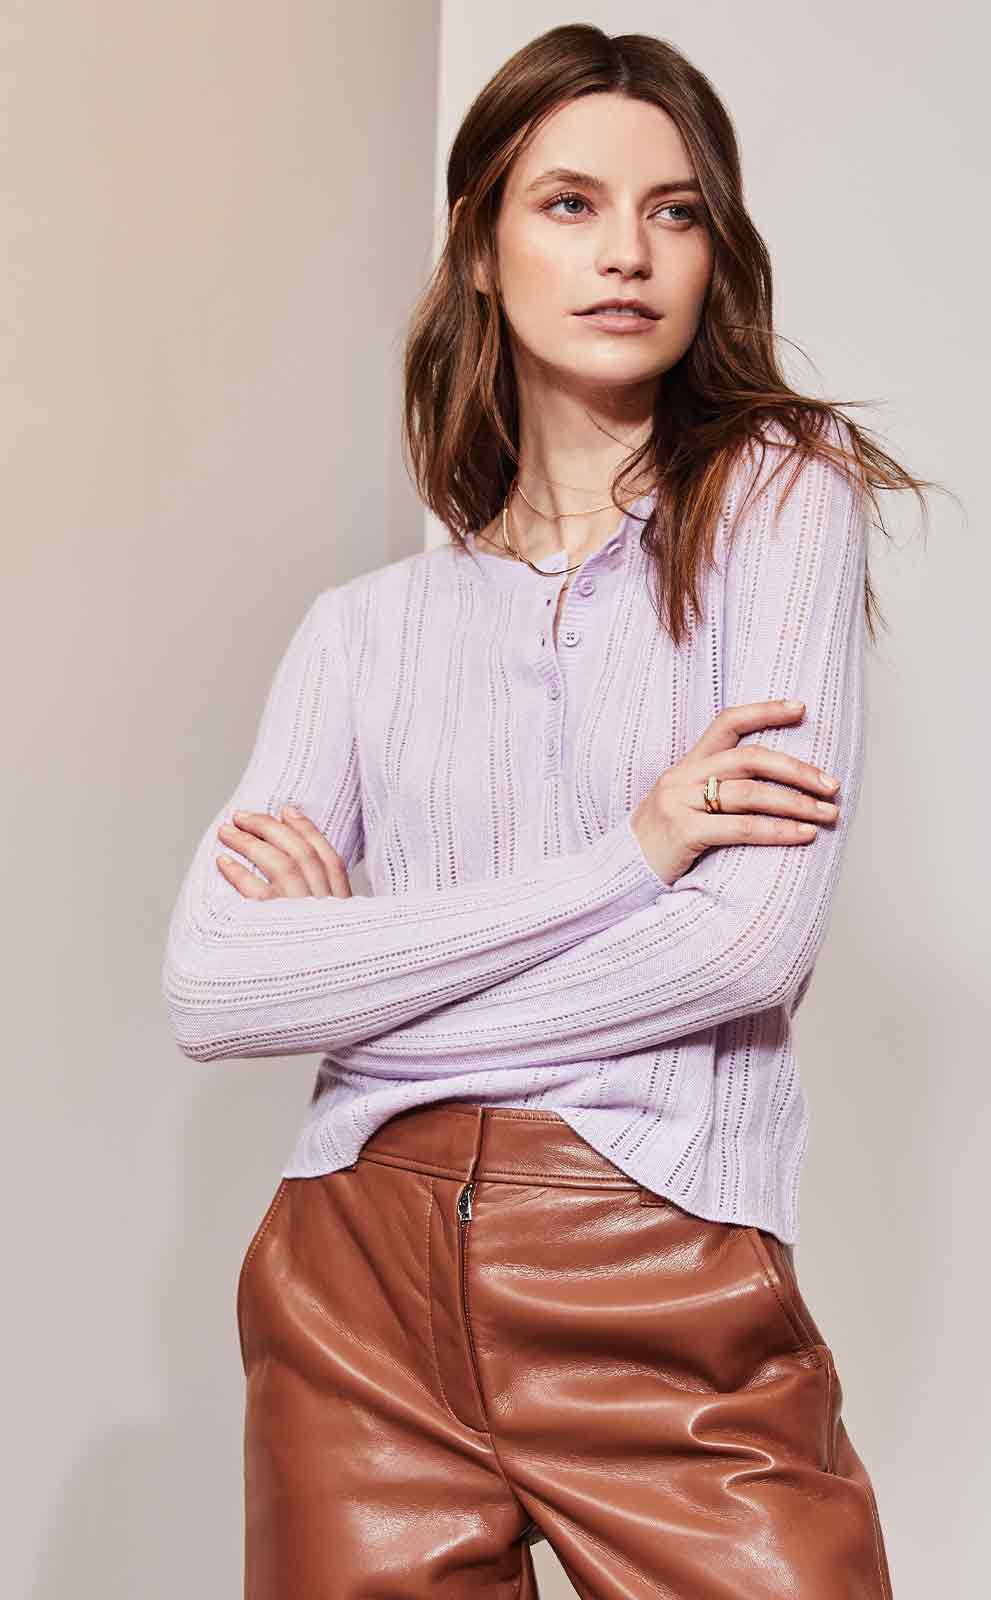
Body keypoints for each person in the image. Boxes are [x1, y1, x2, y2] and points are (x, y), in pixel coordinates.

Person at [162, 23, 935, 1599]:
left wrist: (367, 981)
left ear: (715, 252)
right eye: (570, 203)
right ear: (482, 245)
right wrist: (629, 861)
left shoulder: (780, 497)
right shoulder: (362, 631)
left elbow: (743, 950)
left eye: (675, 211)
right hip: (353, 1294)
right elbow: (214, 988)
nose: (627, 252)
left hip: (652, 1257)